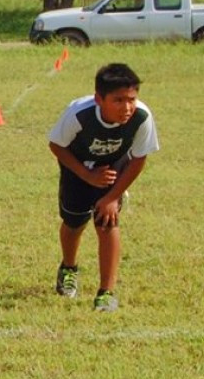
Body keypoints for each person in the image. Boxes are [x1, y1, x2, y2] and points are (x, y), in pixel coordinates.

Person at [48, 63, 160, 312]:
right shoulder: (79, 114)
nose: (127, 107)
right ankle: (68, 267)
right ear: (99, 99)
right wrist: (87, 175)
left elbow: (138, 159)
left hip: (112, 167)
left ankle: (106, 293)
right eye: (118, 100)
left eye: (131, 99)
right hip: (77, 167)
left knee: (107, 222)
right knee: (74, 223)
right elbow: (56, 145)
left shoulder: (142, 117)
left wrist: (112, 197)